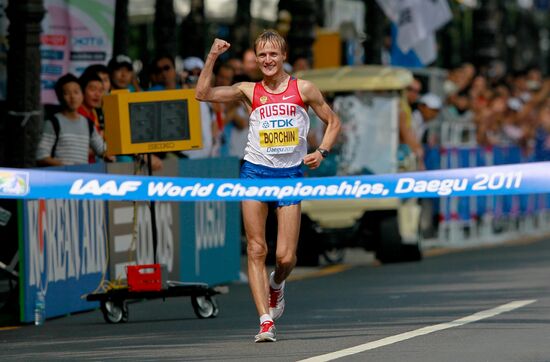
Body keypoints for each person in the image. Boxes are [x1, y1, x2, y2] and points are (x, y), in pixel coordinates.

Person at [196, 30, 341, 343]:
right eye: (262, 55)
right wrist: (212, 56)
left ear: (283, 55)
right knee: (256, 247)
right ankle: (265, 321)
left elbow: (333, 122)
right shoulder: (248, 90)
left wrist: (322, 151)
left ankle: (277, 284)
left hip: (289, 176)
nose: (268, 60)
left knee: (286, 257)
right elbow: (203, 94)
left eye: (273, 54)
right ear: (256, 59)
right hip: (254, 173)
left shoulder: (303, 88)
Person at [36, 73, 107, 166]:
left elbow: (102, 149)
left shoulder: (88, 124)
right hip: (61, 178)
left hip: (82, 178)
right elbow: (41, 156)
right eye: (67, 93)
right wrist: (66, 168)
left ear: (82, 95)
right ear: (59, 97)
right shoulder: (53, 123)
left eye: (76, 92)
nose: (73, 97)